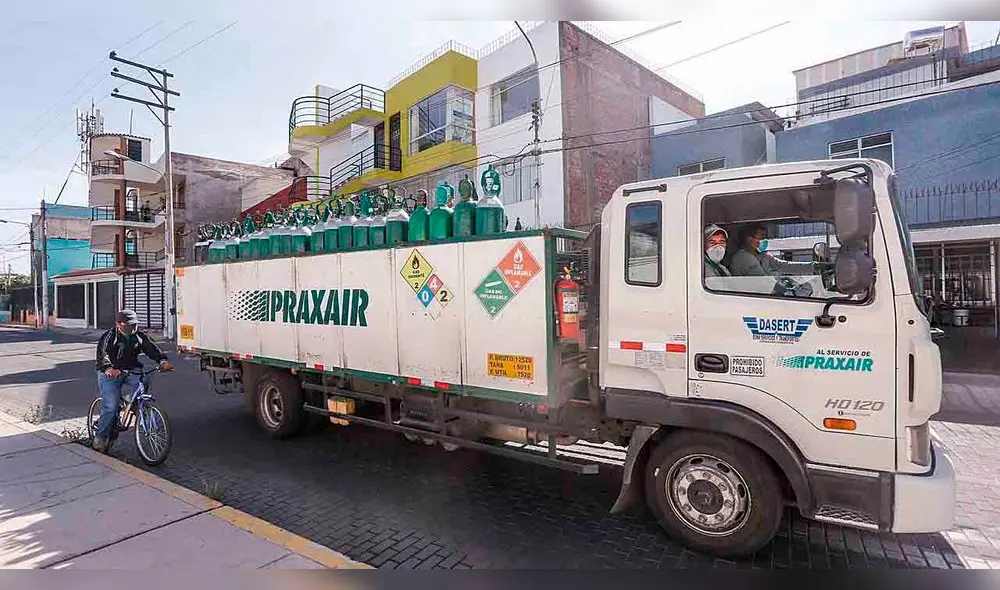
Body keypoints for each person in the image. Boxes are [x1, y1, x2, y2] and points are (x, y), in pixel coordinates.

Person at [93, 310, 173, 452]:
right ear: (118, 325)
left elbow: (151, 348)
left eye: (134, 325)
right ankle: (100, 437)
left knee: (145, 378)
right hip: (111, 372)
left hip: (131, 370)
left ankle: (134, 402)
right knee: (111, 407)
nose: (132, 328)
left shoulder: (138, 336)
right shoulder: (109, 337)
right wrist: (109, 369)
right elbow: (103, 355)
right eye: (128, 325)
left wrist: (162, 360)